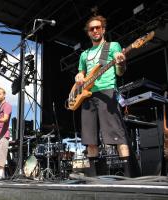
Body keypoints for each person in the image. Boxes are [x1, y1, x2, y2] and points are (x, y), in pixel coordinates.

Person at [74, 15, 131, 177]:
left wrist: (120, 63)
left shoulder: (113, 46)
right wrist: (78, 76)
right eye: (92, 29)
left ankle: (128, 178)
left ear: (103, 29)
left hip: (107, 91)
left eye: (98, 27)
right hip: (87, 96)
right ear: (88, 33)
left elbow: (120, 72)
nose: (95, 31)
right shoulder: (84, 54)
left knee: (116, 134)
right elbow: (81, 73)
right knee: (89, 138)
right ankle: (92, 178)